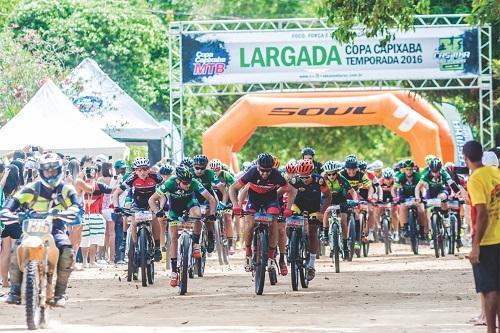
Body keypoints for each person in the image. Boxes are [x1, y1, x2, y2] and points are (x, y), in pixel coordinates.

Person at [2, 153, 81, 307]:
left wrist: (71, 211)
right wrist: (6, 212)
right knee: (16, 249)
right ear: (41, 171)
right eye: (47, 171)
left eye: (53, 170)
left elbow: (76, 204)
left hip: (56, 227)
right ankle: (15, 291)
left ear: (59, 171)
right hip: (31, 229)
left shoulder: (66, 189)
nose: (50, 173)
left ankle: (59, 293)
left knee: (66, 250)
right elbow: (12, 202)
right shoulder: (31, 188)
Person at [149, 165, 217, 287]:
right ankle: (174, 271)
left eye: (189, 183)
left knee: (197, 215)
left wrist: (212, 214)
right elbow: (152, 200)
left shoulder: (194, 182)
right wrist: (157, 212)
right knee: (174, 238)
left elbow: (211, 199)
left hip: (190, 204)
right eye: (185, 183)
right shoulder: (170, 183)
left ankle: (196, 244)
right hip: (174, 209)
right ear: (178, 180)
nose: (188, 185)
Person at [229, 153, 295, 272]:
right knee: (249, 225)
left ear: (272, 169)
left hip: (270, 200)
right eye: (262, 171)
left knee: (274, 221)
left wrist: (288, 208)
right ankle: (248, 253)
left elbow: (291, 190)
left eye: (268, 171)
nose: (265, 174)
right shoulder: (252, 172)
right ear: (258, 167)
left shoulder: (276, 174)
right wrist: (236, 205)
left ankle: (270, 256)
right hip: (254, 200)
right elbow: (232, 188)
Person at [464, 140, 500, 333]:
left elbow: (482, 212)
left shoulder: (476, 179)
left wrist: (476, 245)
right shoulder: (496, 173)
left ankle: (491, 330)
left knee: (489, 290)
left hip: (489, 240)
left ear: (466, 158)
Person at [112, 157, 163, 262]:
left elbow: (164, 192)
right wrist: (116, 206)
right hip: (137, 203)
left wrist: (162, 207)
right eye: (139, 169)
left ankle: (157, 247)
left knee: (154, 219)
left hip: (151, 203)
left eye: (145, 169)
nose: (143, 172)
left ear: (149, 169)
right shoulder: (132, 178)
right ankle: (135, 247)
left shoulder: (156, 176)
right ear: (135, 170)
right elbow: (116, 193)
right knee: (134, 222)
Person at [288, 159, 331, 280]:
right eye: (301, 177)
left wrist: (322, 212)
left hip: (314, 208)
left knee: (312, 232)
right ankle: (292, 244)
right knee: (288, 223)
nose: (304, 180)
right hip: (298, 205)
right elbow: (281, 193)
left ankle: (311, 264)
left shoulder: (319, 180)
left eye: (306, 177)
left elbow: (328, 197)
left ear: (312, 173)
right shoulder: (294, 181)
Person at [322, 160, 357, 260]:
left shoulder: (342, 179)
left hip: (341, 199)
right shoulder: (322, 180)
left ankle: (345, 246)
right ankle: (325, 235)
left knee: (343, 220)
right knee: (326, 211)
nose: (332, 176)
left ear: (337, 172)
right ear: (326, 174)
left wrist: (355, 201)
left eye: (334, 173)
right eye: (329, 174)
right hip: (328, 199)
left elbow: (352, 192)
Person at [192, 155, 227, 253]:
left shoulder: (210, 174)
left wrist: (223, 203)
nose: (199, 171)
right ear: (193, 166)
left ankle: (210, 236)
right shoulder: (189, 173)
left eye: (202, 168)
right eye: (197, 168)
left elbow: (223, 191)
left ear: (206, 167)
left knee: (208, 215)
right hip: (194, 198)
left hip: (207, 198)